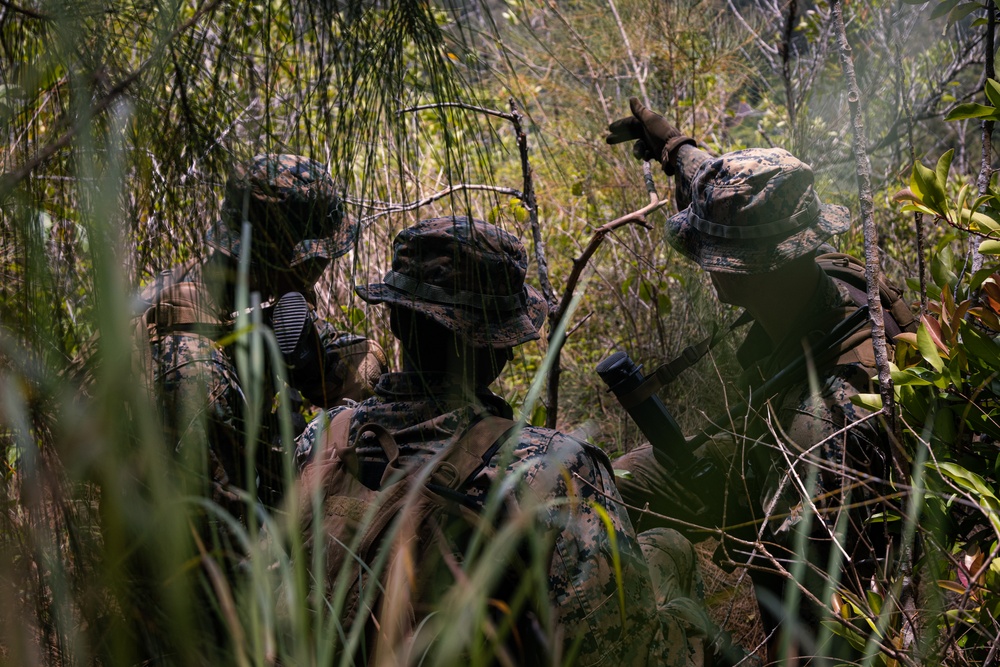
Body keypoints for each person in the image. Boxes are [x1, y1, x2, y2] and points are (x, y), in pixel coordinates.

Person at [294, 215, 709, 666]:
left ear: (394, 318)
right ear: (500, 345)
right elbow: (618, 655)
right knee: (670, 548)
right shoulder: (552, 469)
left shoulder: (324, 436)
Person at [606, 99, 906, 661]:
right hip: (768, 450)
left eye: (712, 255)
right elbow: (718, 181)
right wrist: (672, 145)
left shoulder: (827, 416)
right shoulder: (779, 229)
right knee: (611, 484)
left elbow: (791, 566)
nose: (707, 265)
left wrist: (748, 531)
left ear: (740, 271)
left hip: (831, 524)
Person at [139, 153, 387, 530]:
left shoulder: (235, 292)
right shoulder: (197, 372)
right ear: (289, 261)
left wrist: (310, 360)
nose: (320, 272)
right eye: (318, 260)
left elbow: (362, 367)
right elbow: (220, 538)